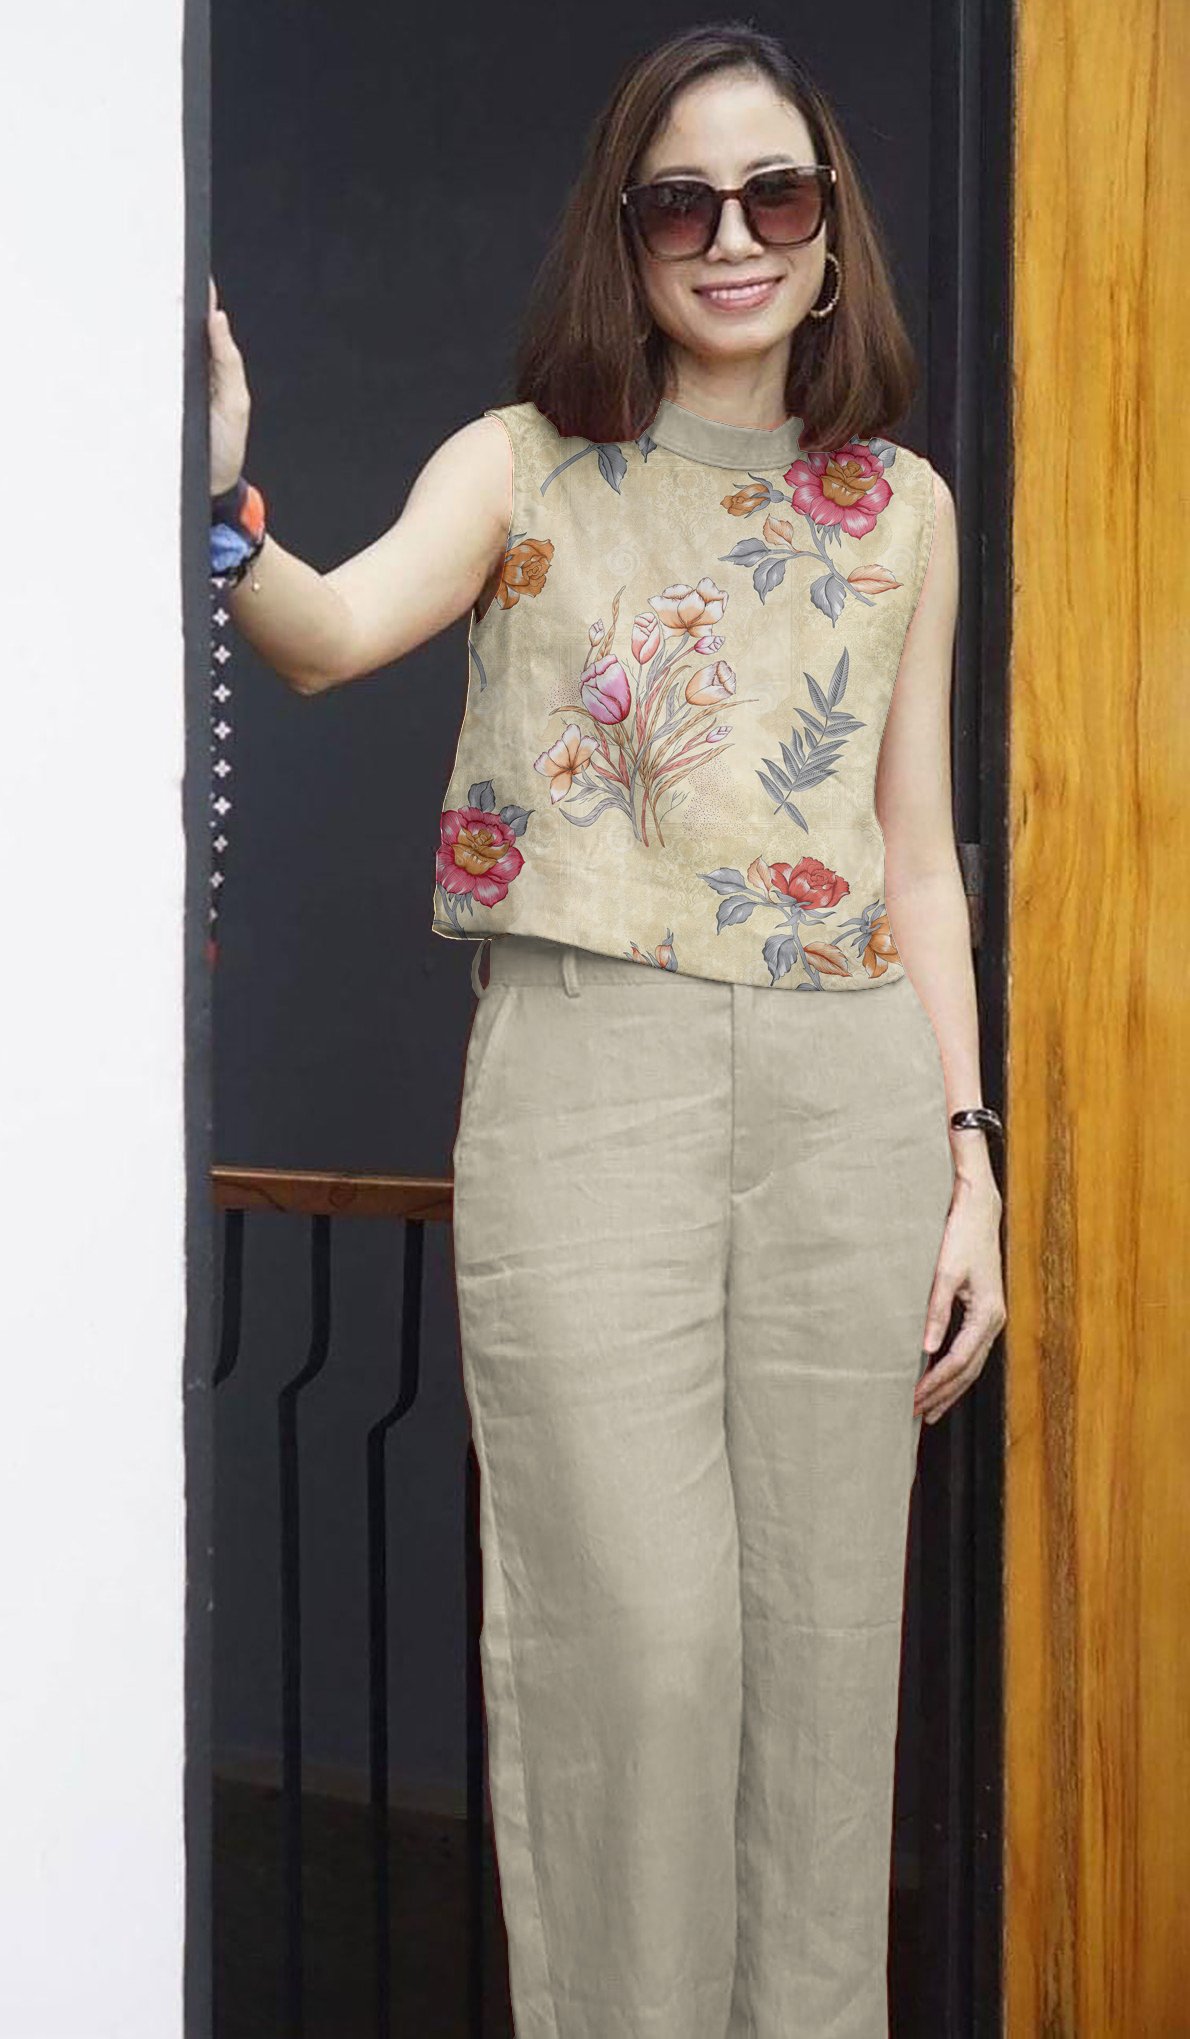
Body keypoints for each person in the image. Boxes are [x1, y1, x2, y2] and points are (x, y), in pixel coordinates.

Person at [208, 21, 1006, 2037]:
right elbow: (328, 636)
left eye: (775, 196)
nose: (732, 238)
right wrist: (220, 506)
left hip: (847, 1094)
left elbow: (917, 861)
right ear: (624, 234)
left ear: (830, 235)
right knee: (634, 1648)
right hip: (588, 1080)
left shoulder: (898, 507)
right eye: (682, 202)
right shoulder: (522, 460)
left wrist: (966, 1161)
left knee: (824, 1654)